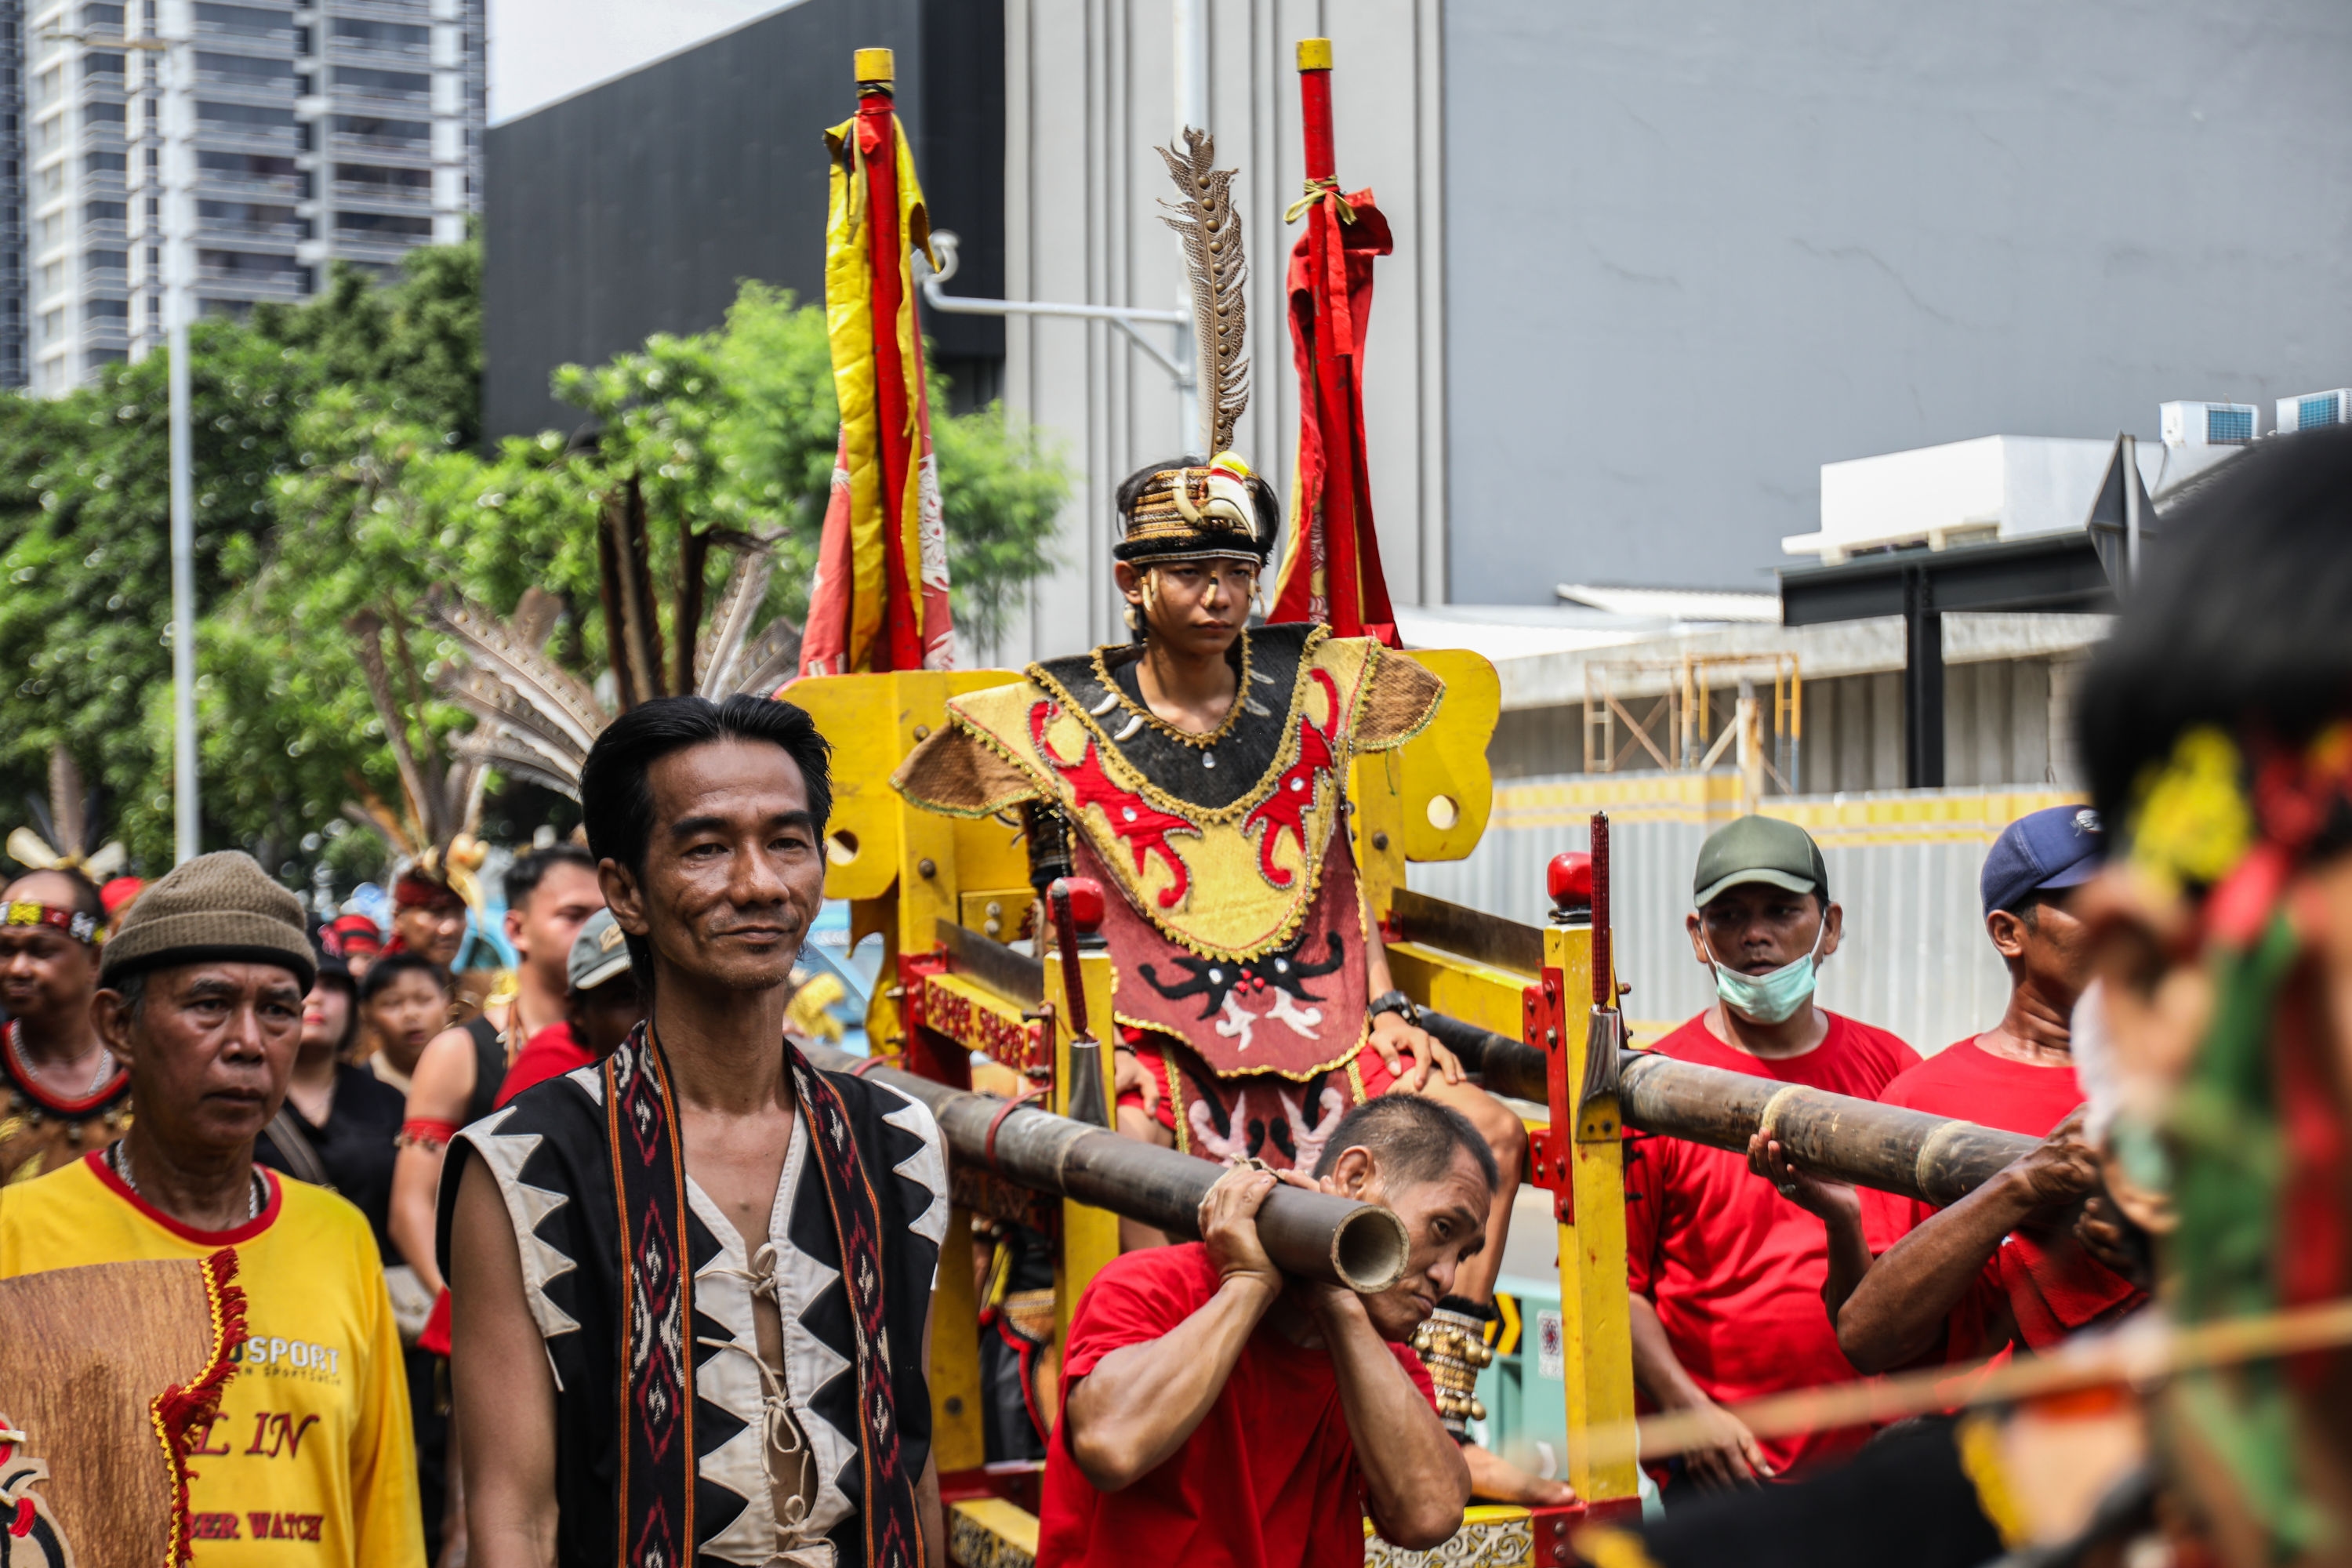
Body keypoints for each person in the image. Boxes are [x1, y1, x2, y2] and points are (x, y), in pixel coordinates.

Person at [887, 144, 1540, 1495]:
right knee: (1110, 1124)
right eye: (1189, 569)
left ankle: (1433, 1407)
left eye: (1237, 567)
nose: (1220, 592)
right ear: (1133, 584)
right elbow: (936, 786)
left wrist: (1379, 1017)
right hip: (1141, 1030)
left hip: (1328, 1034)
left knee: (1482, 1123)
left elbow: (1369, 828)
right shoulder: (1038, 722)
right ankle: (1138, 1368)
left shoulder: (1326, 689)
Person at [442, 694, 950, 1566]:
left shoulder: (898, 1140)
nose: (758, 882)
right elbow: (514, 1520)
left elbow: (912, 1460)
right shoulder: (527, 1164)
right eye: (708, 847)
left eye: (787, 841)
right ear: (627, 892)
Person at [0, 851, 423, 1561]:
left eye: (280, 1011)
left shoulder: (340, 1239)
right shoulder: (19, 1238)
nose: (249, 1044)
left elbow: (383, 1516)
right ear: (119, 1026)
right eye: (209, 1005)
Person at [1037, 1094, 1491, 1565]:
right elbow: (1111, 1446)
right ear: (1356, 1179)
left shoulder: (1390, 1366)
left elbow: (1430, 1517)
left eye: (1462, 1254)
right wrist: (1250, 1284)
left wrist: (1336, 1300)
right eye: (1441, 1229)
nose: (1447, 1277)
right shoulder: (1154, 1286)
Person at [1624, 815, 1918, 1488]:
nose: (1756, 936)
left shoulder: (1895, 1073)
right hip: (1727, 1473)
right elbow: (1621, 1285)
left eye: (1783, 911)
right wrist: (1688, 1413)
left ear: (1830, 927)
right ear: (1699, 939)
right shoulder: (1653, 1087)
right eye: (1728, 916)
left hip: (1873, 1467)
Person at [1802, 806, 2145, 1374]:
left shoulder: (2185, 1079)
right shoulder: (1924, 1099)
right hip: (1987, 1450)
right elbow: (1868, 1338)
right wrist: (2022, 1186)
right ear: (2009, 933)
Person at [388, 846, 601, 1319]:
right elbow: (412, 1206)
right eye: (573, 915)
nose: (596, 931)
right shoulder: (459, 1052)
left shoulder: (640, 1040)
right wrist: (470, 1319)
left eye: (606, 915)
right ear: (516, 929)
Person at [0, 868, 129, 1182]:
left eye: (41, 951)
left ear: (95, 960)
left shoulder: (153, 1070)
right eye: (5, 950)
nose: (18, 968)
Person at [493, 907, 644, 1105]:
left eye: (664, 990)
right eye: (625, 997)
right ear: (577, 1013)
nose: (651, 1012)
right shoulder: (551, 1072)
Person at [358, 953, 450, 1097]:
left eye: (424, 999)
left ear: (446, 1006)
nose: (410, 1014)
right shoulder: (358, 1088)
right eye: (393, 1003)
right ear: (368, 1016)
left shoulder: (472, 1076)